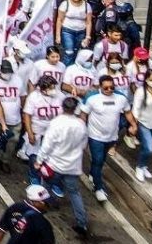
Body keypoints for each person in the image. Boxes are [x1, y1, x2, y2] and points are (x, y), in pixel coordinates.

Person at [35, 96, 89, 238]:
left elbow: (47, 145)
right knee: (75, 194)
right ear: (75, 109)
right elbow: (84, 144)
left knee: (44, 188)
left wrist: (39, 161)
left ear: (63, 107)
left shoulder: (56, 123)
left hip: (54, 165)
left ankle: (41, 210)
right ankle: (82, 223)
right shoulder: (81, 125)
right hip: (72, 166)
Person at [81, 75, 136, 202]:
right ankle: (98, 188)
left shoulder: (121, 98)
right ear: (100, 87)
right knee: (98, 160)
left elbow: (127, 112)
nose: (109, 90)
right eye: (106, 88)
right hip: (95, 136)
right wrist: (82, 130)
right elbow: (83, 114)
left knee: (101, 160)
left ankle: (93, 173)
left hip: (112, 137)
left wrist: (133, 125)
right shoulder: (92, 98)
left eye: (112, 87)